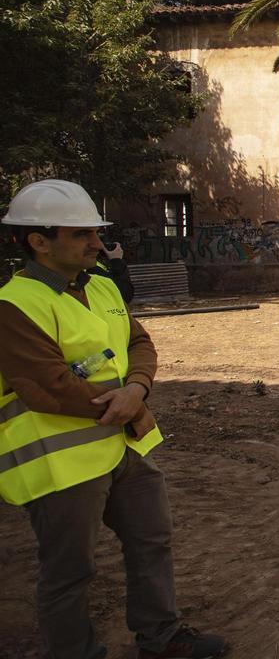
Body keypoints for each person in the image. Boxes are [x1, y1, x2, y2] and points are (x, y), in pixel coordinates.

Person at [0, 179, 227, 659]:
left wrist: (137, 388)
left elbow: (139, 342)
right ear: (39, 241)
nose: (97, 244)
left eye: (95, 233)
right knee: (69, 571)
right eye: (81, 235)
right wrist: (122, 402)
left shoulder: (101, 284)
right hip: (61, 463)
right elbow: (46, 386)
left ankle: (160, 637)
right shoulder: (15, 306)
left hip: (125, 446)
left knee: (152, 541)